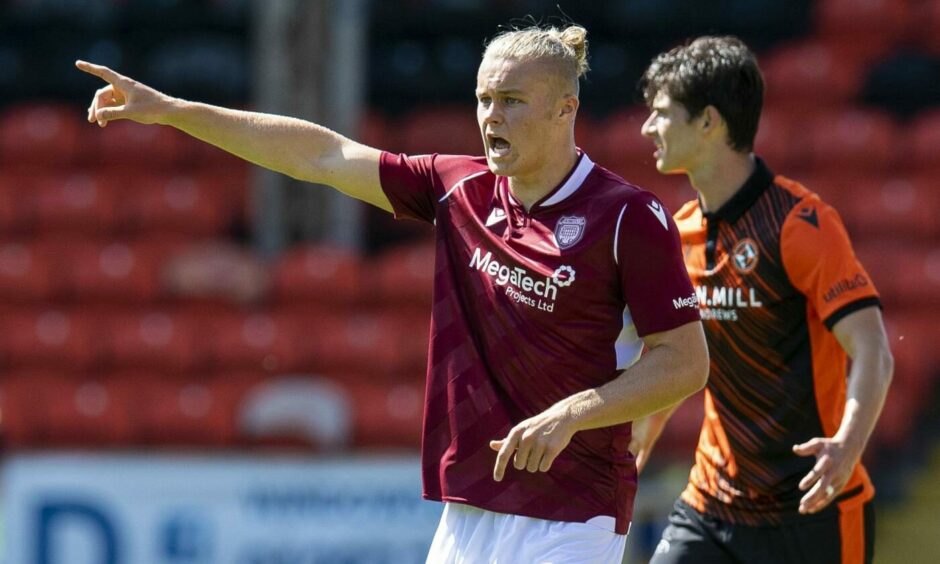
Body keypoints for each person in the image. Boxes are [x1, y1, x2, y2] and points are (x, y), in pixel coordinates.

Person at [78, 23, 709, 563]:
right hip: (467, 512)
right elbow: (322, 156)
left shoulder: (628, 217)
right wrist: (173, 111)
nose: (492, 117)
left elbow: (685, 363)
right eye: (484, 99)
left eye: (513, 101)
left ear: (565, 108)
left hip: (573, 513)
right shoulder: (459, 189)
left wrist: (573, 413)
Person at [631, 36, 894, 564]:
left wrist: (846, 447)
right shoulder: (677, 235)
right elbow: (672, 364)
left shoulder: (800, 225)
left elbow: (873, 352)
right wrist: (631, 455)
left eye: (661, 114)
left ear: (709, 122)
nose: (646, 129)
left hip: (813, 510)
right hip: (711, 506)